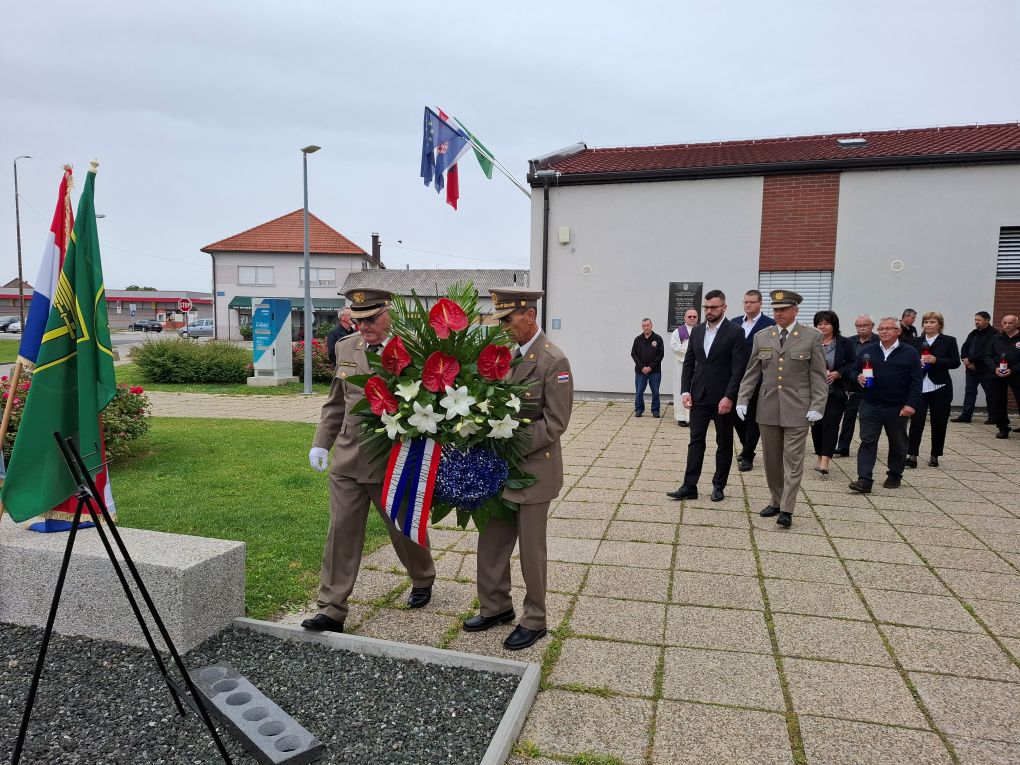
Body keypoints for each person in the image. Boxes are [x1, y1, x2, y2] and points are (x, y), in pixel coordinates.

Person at [305, 289, 437, 633]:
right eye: (358, 320)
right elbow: (337, 401)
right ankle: (331, 608)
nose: (364, 327)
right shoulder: (346, 347)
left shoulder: (413, 349)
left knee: (402, 526)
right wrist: (321, 443)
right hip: (348, 456)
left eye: (371, 319)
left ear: (388, 314)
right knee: (341, 531)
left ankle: (422, 576)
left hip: (391, 458)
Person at [464, 288, 573, 651]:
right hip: (500, 468)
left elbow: (555, 423)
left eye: (508, 320)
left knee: (531, 549)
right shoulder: (507, 356)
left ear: (530, 315)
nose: (504, 327)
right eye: (500, 321)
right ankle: (496, 606)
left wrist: (509, 443)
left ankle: (535, 619)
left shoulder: (553, 361)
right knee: (492, 541)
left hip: (534, 470)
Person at [736, 291, 827, 528]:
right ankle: (776, 500)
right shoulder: (762, 336)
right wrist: (743, 398)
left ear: (795, 310)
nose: (779, 314)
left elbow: (818, 376)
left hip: (798, 408)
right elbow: (752, 372)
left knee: (793, 461)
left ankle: (787, 508)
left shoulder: (811, 337)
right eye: (776, 310)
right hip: (768, 407)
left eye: (784, 309)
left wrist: (818, 405)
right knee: (772, 461)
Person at [666, 290, 748, 503]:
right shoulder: (697, 330)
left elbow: (738, 369)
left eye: (714, 307)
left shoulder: (735, 332)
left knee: (724, 443)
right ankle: (689, 486)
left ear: (724, 307)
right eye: (706, 307)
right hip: (699, 395)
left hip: (723, 398)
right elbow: (689, 363)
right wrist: (685, 390)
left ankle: (719, 485)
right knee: (695, 441)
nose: (709, 311)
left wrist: (730, 396)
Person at [848, 317, 922, 494]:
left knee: (897, 442)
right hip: (870, 404)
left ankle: (895, 474)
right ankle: (864, 479)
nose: (884, 331)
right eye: (881, 329)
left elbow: (916, 381)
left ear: (898, 331)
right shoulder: (869, 350)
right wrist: (857, 377)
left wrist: (911, 404)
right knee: (867, 441)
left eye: (888, 328)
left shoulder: (910, 352)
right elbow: (853, 370)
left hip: (897, 406)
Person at [906, 311, 960, 467]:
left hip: (940, 386)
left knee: (939, 422)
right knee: (916, 421)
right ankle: (912, 455)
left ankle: (935, 455)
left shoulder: (949, 341)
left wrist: (936, 360)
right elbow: (908, 362)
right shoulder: (915, 342)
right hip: (919, 387)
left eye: (932, 322)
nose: (928, 325)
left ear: (940, 325)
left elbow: (955, 362)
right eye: (926, 322)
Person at [731, 290, 776, 471]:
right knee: (735, 416)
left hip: (758, 378)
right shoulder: (735, 322)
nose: (748, 305)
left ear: (760, 304)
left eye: (752, 302)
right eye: (745, 302)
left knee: (751, 417)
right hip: (735, 377)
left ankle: (748, 455)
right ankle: (746, 446)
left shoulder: (769, 324)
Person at [809, 311, 856, 475]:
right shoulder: (812, 342)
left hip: (835, 392)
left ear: (834, 325)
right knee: (816, 426)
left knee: (830, 424)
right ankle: (819, 455)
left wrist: (838, 373)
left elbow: (853, 363)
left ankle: (825, 460)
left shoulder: (844, 343)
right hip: (814, 392)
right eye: (819, 324)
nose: (822, 327)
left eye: (826, 323)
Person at [835, 314, 878, 457]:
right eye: (859, 325)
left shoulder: (879, 341)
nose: (862, 328)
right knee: (849, 416)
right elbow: (846, 363)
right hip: (852, 384)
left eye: (865, 325)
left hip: (873, 385)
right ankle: (843, 447)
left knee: (871, 418)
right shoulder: (849, 341)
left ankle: (869, 446)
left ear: (872, 326)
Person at [954, 311, 997, 423]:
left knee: (990, 393)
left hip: (986, 369)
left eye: (979, 320)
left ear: (987, 321)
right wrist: (965, 360)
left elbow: (987, 351)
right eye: (975, 320)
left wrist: (971, 360)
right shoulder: (974, 333)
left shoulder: (994, 334)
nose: (976, 322)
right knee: (970, 392)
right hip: (971, 369)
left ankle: (993, 417)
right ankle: (966, 416)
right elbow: (965, 347)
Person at [985, 314, 1020, 439]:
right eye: (1005, 323)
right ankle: (1003, 428)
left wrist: (1012, 370)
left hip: (1017, 375)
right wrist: (994, 368)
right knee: (998, 401)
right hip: (998, 374)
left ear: (1016, 323)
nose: (1007, 325)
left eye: (1010, 323)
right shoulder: (996, 338)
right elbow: (988, 356)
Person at [669, 309, 700, 427]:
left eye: (694, 316)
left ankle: (696, 416)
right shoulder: (678, 332)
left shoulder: (702, 330)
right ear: (685, 318)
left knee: (697, 390)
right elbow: (674, 346)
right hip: (682, 365)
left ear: (697, 317)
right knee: (681, 389)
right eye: (689, 316)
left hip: (699, 366)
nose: (692, 318)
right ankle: (681, 417)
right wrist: (691, 351)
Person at [631, 318, 664, 418]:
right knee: (639, 392)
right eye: (644, 326)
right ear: (642, 327)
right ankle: (639, 409)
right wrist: (642, 367)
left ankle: (655, 410)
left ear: (651, 325)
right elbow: (633, 354)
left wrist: (650, 367)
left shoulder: (658, 338)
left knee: (655, 392)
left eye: (648, 325)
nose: (646, 327)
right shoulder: (638, 339)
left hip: (655, 371)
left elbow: (660, 355)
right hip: (640, 372)